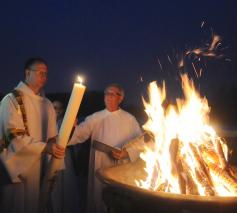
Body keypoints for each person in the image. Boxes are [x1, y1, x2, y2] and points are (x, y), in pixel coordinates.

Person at [0, 58, 65, 213]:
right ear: (27, 73)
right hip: (17, 169)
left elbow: (52, 137)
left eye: (46, 73)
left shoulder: (47, 104)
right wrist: (45, 147)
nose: (44, 76)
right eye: (40, 72)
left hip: (41, 168)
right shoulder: (11, 100)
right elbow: (13, 136)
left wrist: (54, 150)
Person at [68, 83, 143, 213]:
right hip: (99, 163)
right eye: (106, 93)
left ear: (120, 98)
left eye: (112, 93)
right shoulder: (95, 117)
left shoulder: (130, 119)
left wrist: (126, 153)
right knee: (98, 198)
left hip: (121, 166)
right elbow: (79, 135)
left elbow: (140, 143)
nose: (108, 96)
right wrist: (70, 128)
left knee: (118, 202)